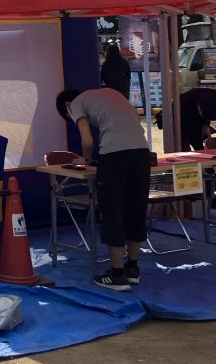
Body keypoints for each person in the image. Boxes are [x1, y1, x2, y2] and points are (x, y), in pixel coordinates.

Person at [56, 88, 150, 291]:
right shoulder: (110, 94)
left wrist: (85, 158)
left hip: (115, 155)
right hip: (142, 154)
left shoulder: (76, 103)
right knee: (136, 209)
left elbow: (87, 140)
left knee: (112, 210)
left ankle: (117, 275)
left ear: (67, 106)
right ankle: (132, 269)